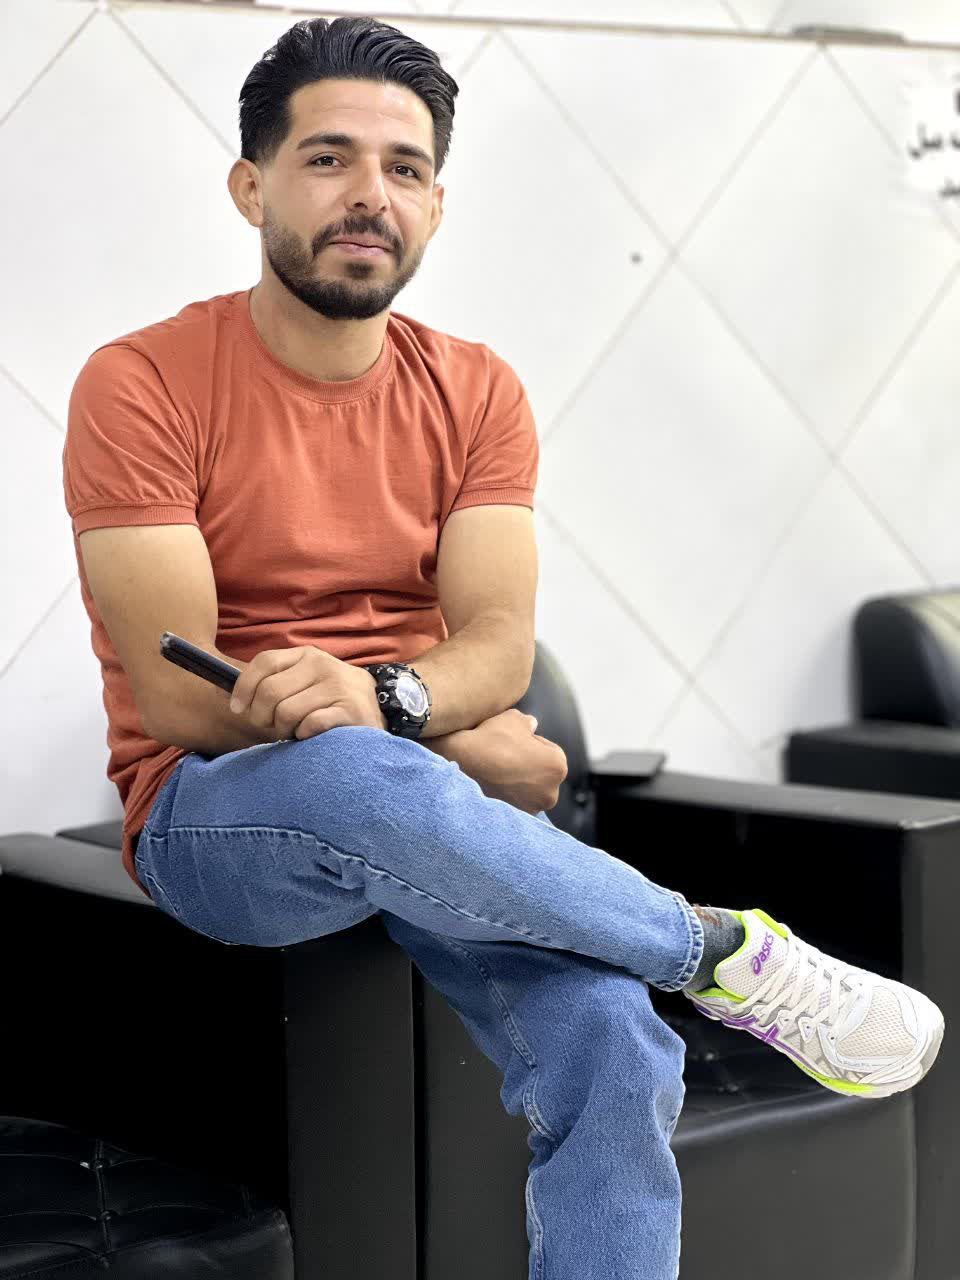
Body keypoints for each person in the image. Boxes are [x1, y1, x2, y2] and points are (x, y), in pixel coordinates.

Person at [62, 16, 945, 1279]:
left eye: (405, 168)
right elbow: (177, 692)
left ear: (435, 204)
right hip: (215, 815)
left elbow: (497, 645)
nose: (371, 195)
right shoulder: (140, 380)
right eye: (328, 158)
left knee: (614, 1035)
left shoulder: (476, 390)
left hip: (418, 791)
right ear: (251, 187)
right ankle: (719, 949)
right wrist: (451, 745)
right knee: (360, 774)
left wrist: (392, 704)